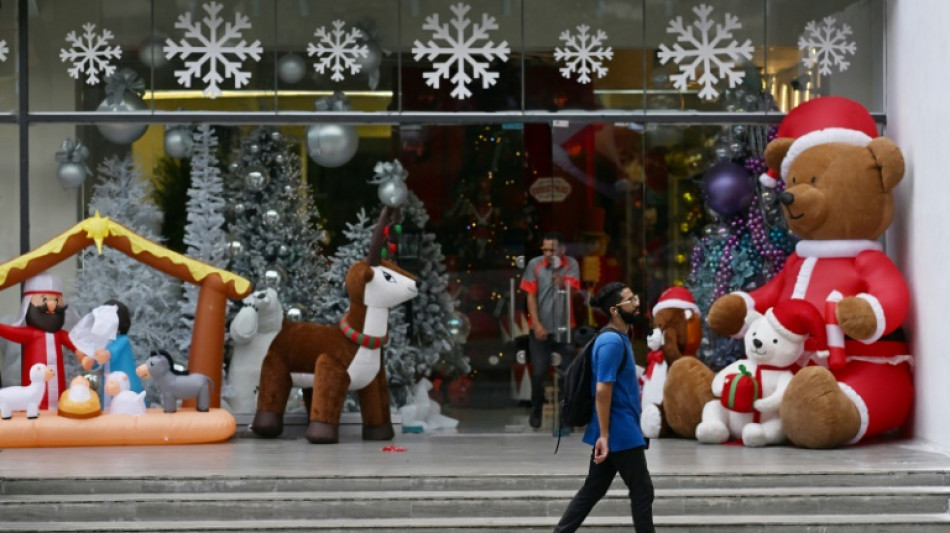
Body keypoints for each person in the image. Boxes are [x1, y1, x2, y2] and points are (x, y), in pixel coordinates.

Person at [554, 281, 654, 533]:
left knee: (593, 489)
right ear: (614, 310)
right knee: (642, 490)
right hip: (618, 431)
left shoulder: (619, 338)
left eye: (635, 298)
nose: (637, 303)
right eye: (630, 300)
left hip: (616, 429)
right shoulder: (611, 343)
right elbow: (602, 389)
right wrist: (605, 436)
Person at [0, 272, 104, 410]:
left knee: (58, 400)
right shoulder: (30, 334)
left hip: (58, 389)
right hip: (34, 399)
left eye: (56, 300)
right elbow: (9, 332)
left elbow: (75, 345)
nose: (51, 305)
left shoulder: (60, 335)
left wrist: (84, 358)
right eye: (44, 300)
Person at [520, 231, 581, 429]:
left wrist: (562, 282)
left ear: (562, 250)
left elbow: (574, 292)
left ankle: (566, 416)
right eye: (545, 249)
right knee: (538, 371)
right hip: (541, 328)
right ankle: (536, 407)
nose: (548, 253)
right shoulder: (534, 265)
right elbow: (530, 296)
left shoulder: (570, 264)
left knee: (567, 374)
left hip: (564, 328)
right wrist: (536, 324)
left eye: (552, 250)